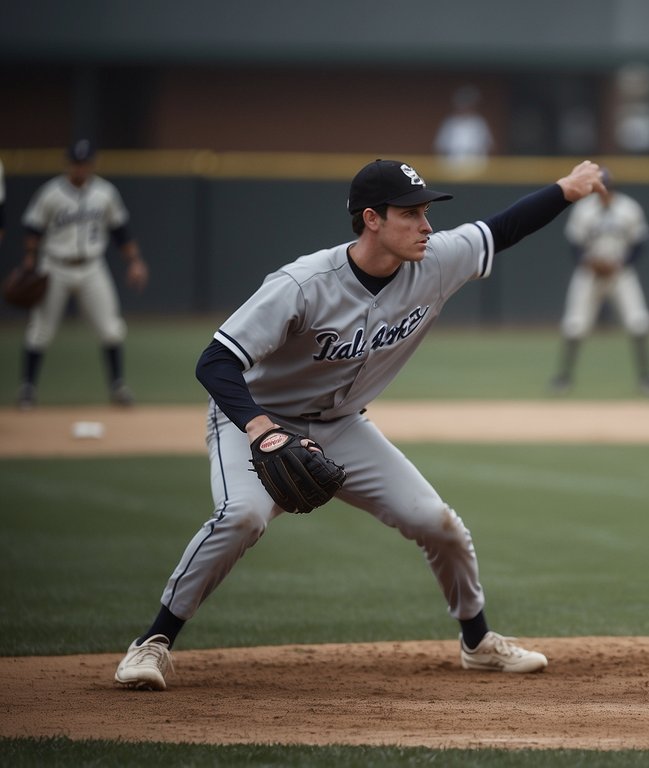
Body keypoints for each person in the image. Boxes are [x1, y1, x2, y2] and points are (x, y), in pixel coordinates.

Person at [113, 157, 607, 691]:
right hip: (252, 419)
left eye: (426, 212)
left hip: (342, 426)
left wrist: (567, 189)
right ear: (372, 218)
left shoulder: (436, 260)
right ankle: (152, 645)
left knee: (438, 524)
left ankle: (478, 642)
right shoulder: (303, 283)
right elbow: (215, 361)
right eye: (412, 214)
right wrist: (260, 429)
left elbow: (502, 228)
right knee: (243, 516)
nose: (426, 226)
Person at [17, 139, 149, 409]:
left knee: (111, 329)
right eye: (76, 163)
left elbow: (120, 231)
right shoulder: (50, 193)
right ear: (68, 164)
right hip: (54, 266)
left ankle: (118, 387)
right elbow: (33, 230)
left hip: (92, 266)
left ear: (92, 164)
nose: (81, 168)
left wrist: (134, 262)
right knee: (40, 331)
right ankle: (27, 388)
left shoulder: (105, 193)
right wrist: (30, 260)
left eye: (85, 163)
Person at [548, 167, 649, 395]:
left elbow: (639, 243)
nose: (603, 190)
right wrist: (589, 263)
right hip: (589, 274)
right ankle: (563, 378)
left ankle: (647, 378)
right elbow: (575, 245)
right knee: (574, 325)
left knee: (639, 322)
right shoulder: (583, 210)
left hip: (621, 273)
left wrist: (622, 264)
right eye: (598, 187)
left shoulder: (629, 209)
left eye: (606, 186)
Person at [433, 85, 494, 172]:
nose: (465, 107)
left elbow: (489, 146)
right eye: (462, 104)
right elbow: (440, 147)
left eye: (468, 104)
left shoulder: (479, 122)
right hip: (452, 165)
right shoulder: (450, 122)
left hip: (475, 165)